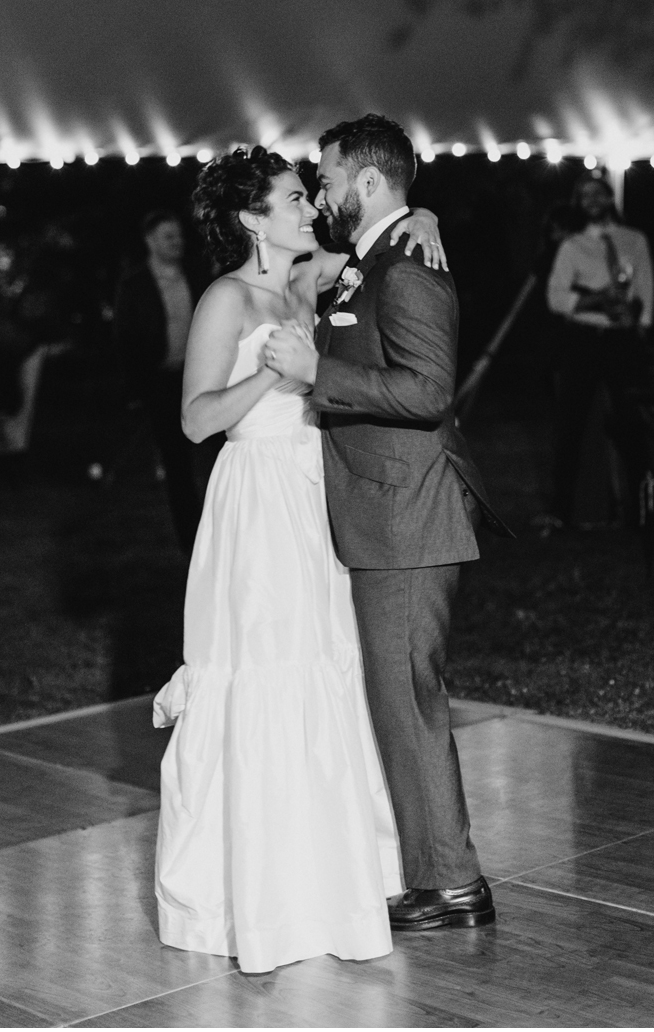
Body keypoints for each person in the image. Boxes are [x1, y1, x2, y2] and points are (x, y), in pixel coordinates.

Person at [152, 146, 448, 974]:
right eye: (290, 196)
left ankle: (338, 878)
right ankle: (266, 893)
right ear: (251, 218)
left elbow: (379, 241)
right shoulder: (225, 298)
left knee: (331, 666)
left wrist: (423, 214)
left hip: (317, 490)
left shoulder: (311, 275)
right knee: (268, 671)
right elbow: (194, 421)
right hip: (255, 500)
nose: (308, 206)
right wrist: (272, 376)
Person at [266, 114, 511, 936]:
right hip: (385, 509)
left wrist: (316, 374)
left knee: (409, 696)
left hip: (407, 512)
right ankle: (436, 874)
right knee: (399, 696)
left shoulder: (407, 265)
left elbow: (427, 391)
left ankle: (451, 883)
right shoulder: (382, 254)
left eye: (327, 175)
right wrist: (419, 213)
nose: (321, 188)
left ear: (367, 181)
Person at [545, 174, 654, 529]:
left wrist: (639, 321)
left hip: (623, 341)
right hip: (585, 340)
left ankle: (641, 508)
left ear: (609, 197)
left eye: (597, 193)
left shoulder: (634, 239)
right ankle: (564, 510)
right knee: (572, 422)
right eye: (583, 195)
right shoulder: (572, 246)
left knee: (631, 423)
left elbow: (646, 287)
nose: (591, 200)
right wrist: (595, 301)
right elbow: (556, 297)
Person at [113, 212, 209, 551]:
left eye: (179, 235)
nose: (177, 242)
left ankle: (218, 528)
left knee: (213, 456)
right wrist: (136, 388)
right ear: (150, 240)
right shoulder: (134, 283)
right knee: (176, 463)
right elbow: (126, 339)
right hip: (162, 382)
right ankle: (190, 539)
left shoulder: (197, 275)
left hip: (202, 377)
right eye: (169, 236)